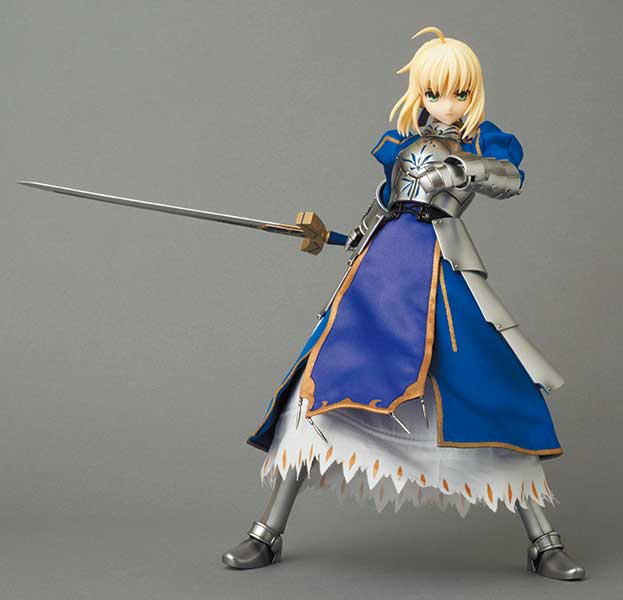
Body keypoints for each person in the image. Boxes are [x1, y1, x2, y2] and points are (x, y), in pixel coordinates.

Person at [222, 26, 585, 581]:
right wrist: (328, 237)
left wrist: (464, 168)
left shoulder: (483, 143)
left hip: (442, 267)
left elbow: (510, 178)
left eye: (460, 92)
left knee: (491, 386)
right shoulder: (402, 145)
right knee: (321, 382)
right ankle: (266, 532)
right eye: (436, 92)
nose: (448, 103)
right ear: (420, 92)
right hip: (381, 272)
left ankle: (544, 542)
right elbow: (379, 212)